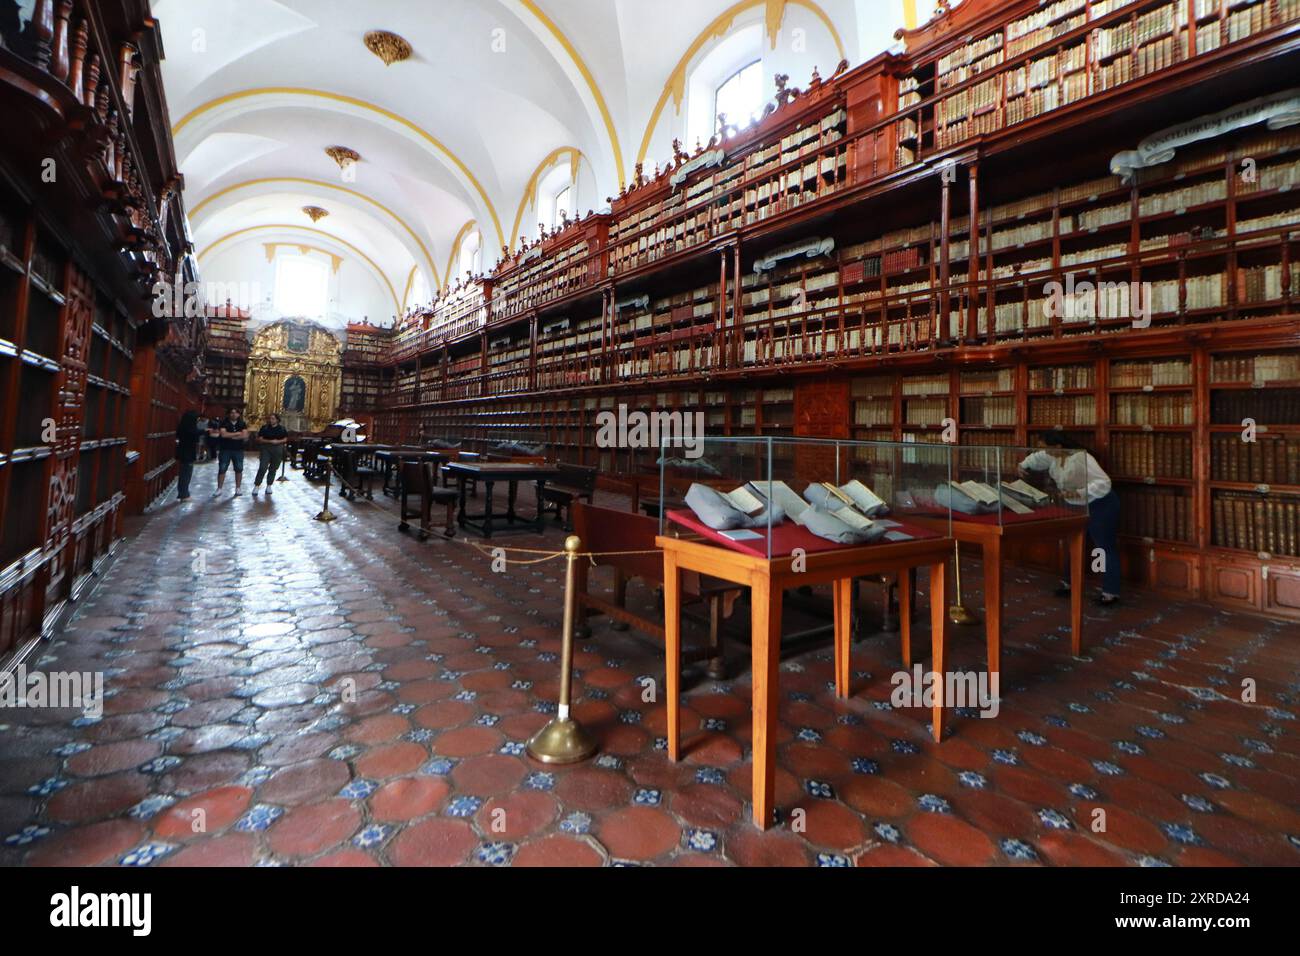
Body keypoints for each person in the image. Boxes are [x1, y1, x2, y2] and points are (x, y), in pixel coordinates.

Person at [1019, 432, 1121, 606]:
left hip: (1099, 504)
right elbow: (1035, 458)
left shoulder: (1082, 458)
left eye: (1045, 448)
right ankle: (1069, 584)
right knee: (1073, 543)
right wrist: (1022, 465)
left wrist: (1080, 492)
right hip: (1074, 506)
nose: (1043, 452)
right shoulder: (1053, 456)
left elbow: (1104, 482)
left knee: (1102, 547)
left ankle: (1110, 592)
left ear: (1058, 447)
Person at [214, 406, 249, 497]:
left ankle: (238, 488)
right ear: (229, 414)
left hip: (238, 449)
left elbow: (244, 435)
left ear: (238, 414)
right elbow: (224, 434)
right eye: (232, 412)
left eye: (236, 412)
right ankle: (219, 488)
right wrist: (237, 433)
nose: (234, 414)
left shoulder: (242, 423)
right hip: (225, 449)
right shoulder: (224, 423)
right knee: (222, 468)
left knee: (239, 468)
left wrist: (231, 436)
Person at [252, 413, 289, 496]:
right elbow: (260, 439)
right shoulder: (265, 428)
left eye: (273, 419)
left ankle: (269, 485)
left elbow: (285, 439)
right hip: (266, 448)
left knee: (273, 468)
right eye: (270, 418)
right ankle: (257, 485)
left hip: (277, 449)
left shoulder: (281, 429)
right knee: (262, 467)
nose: (271, 420)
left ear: (277, 420)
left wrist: (278, 441)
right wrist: (270, 441)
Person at [175, 410, 203, 501]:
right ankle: (184, 494)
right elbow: (195, 434)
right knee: (186, 474)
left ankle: (183, 493)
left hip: (184, 452)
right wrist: (204, 431)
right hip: (187, 453)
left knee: (184, 473)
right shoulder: (189, 429)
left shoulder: (183, 427)